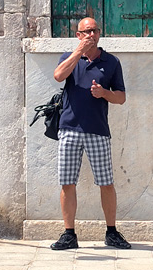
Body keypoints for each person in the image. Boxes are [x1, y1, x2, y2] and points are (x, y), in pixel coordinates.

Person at [49, 16, 131, 251]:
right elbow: (58, 76)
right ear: (78, 35)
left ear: (99, 33)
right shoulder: (69, 58)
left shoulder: (111, 62)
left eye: (94, 31)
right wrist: (78, 53)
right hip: (69, 129)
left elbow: (121, 98)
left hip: (98, 131)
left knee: (106, 182)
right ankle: (69, 234)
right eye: (86, 32)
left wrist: (104, 93)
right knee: (67, 182)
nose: (91, 35)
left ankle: (112, 232)